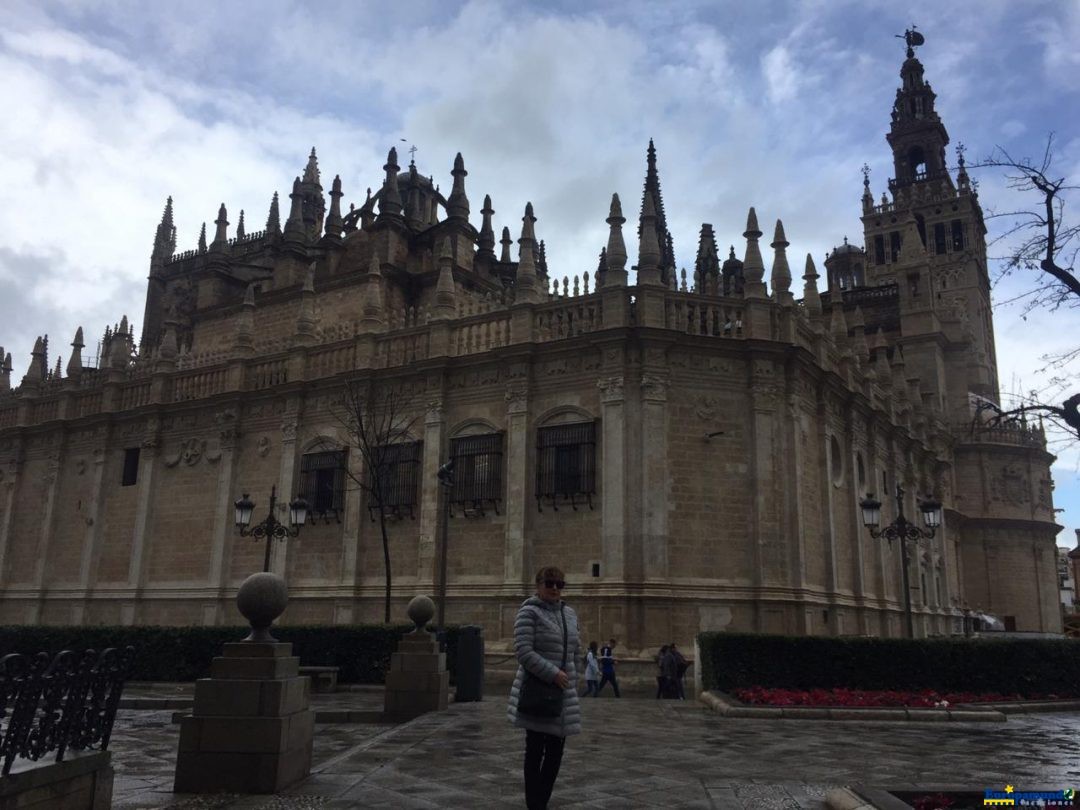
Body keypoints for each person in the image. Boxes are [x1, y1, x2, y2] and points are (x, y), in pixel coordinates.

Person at [507, 566, 581, 810]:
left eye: (559, 584)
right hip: (539, 690)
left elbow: (575, 650)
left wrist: (573, 677)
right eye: (549, 583)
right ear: (538, 585)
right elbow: (524, 652)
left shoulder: (569, 614)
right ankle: (535, 805)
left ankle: (541, 803)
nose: (554, 589)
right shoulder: (529, 612)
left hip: (563, 692)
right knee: (535, 750)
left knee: (555, 753)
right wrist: (553, 674)